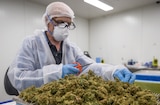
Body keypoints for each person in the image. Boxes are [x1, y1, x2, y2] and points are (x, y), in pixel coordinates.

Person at [7, 1, 135, 92]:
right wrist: (57, 72)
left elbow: (90, 67)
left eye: (68, 24)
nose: (64, 27)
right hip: (35, 99)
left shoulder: (71, 48)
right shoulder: (31, 43)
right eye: (60, 22)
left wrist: (112, 71)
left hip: (62, 97)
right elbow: (19, 78)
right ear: (48, 21)